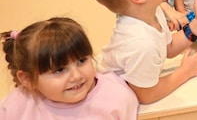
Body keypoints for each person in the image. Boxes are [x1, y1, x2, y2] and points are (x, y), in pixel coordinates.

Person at [0, 17, 138, 119]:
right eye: (59, 70)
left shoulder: (116, 96)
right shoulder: (15, 107)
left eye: (82, 61)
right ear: (27, 79)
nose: (77, 76)